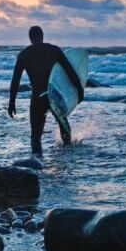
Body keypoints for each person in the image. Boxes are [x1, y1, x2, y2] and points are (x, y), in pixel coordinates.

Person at [8, 26, 84, 156]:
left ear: (30, 38)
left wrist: (12, 102)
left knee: (36, 134)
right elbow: (70, 71)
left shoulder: (24, 54)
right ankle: (68, 155)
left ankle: (37, 162)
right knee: (63, 124)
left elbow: (15, 80)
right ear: (42, 36)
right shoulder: (54, 51)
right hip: (53, 95)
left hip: (38, 97)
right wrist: (79, 90)